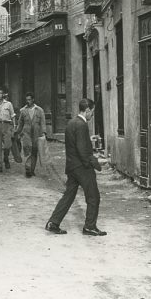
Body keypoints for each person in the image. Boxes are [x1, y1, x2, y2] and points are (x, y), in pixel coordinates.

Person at [45, 98, 107, 236]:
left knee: (68, 196)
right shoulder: (82, 125)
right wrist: (92, 163)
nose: (92, 115)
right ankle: (90, 226)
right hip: (82, 168)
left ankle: (53, 223)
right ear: (87, 110)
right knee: (93, 197)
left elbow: (74, 143)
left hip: (72, 166)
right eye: (92, 112)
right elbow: (82, 149)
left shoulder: (72, 123)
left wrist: (87, 140)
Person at [16, 92, 46, 178]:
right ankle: (28, 168)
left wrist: (44, 133)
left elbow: (43, 122)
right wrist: (17, 132)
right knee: (27, 150)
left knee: (34, 152)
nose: (28, 101)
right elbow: (20, 123)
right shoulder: (23, 110)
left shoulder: (39, 110)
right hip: (26, 133)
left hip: (37, 133)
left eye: (29, 100)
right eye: (26, 100)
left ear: (33, 100)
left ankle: (32, 170)